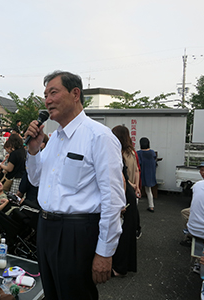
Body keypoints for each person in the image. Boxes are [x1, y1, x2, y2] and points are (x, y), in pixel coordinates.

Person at [25, 70, 125, 300]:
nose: (47, 100)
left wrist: (104, 252)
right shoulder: (54, 139)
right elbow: (36, 180)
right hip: (46, 229)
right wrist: (33, 151)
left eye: (53, 92)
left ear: (75, 93)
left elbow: (113, 200)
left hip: (76, 233)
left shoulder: (99, 136)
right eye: (45, 95)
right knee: (51, 293)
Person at [111, 126, 138, 277]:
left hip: (123, 195)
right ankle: (125, 266)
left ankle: (119, 268)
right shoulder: (131, 152)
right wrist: (135, 187)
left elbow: (121, 178)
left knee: (120, 233)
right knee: (127, 233)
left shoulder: (118, 152)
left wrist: (119, 202)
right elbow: (132, 174)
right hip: (129, 194)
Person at [186, 161, 204, 241]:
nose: (203, 172)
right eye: (201, 170)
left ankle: (189, 236)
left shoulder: (197, 185)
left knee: (185, 212)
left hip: (193, 230)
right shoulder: (198, 184)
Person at [137, 137, 157, 212]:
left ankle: (135, 207)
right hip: (150, 174)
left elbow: (138, 163)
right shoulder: (152, 153)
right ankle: (151, 206)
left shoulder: (139, 153)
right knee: (149, 190)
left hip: (141, 174)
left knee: (138, 190)